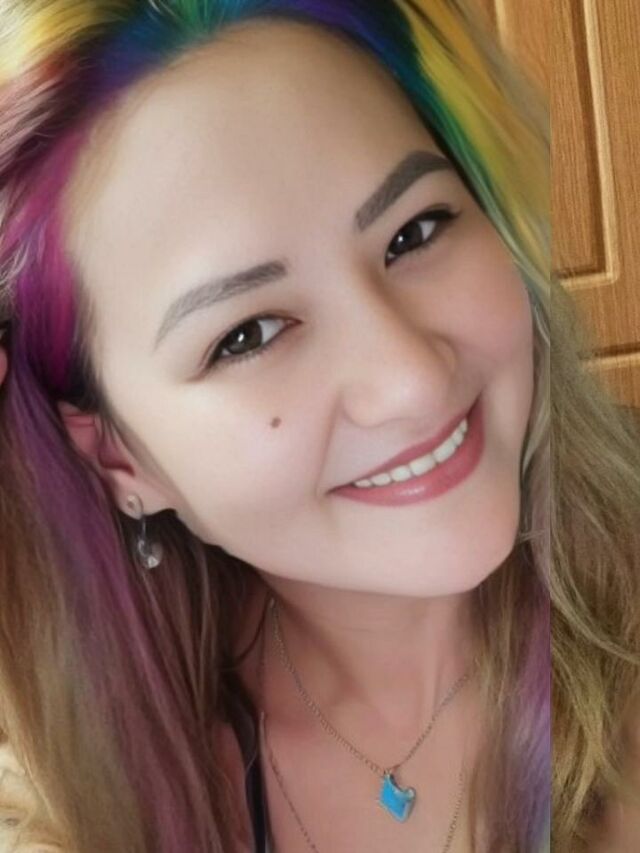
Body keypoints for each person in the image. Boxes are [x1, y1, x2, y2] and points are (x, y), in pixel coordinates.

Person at [0, 1, 634, 851]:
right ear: (117, 456)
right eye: (248, 335)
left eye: (414, 232)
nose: (412, 378)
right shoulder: (73, 807)